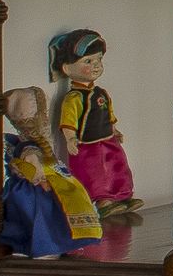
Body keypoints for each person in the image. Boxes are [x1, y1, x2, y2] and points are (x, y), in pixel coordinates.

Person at [0, 86, 105, 257]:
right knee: (39, 216)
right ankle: (41, 246)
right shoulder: (28, 145)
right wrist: (39, 177)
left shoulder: (39, 142)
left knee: (61, 213)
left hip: (50, 182)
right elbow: (31, 164)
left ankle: (65, 242)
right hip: (35, 188)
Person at [46, 28, 135, 213]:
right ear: (67, 68)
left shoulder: (101, 93)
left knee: (117, 166)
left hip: (107, 139)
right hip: (88, 144)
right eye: (88, 61)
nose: (96, 65)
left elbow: (108, 114)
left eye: (99, 60)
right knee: (96, 173)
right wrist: (70, 138)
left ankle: (123, 194)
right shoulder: (74, 98)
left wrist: (115, 130)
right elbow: (68, 121)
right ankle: (103, 202)